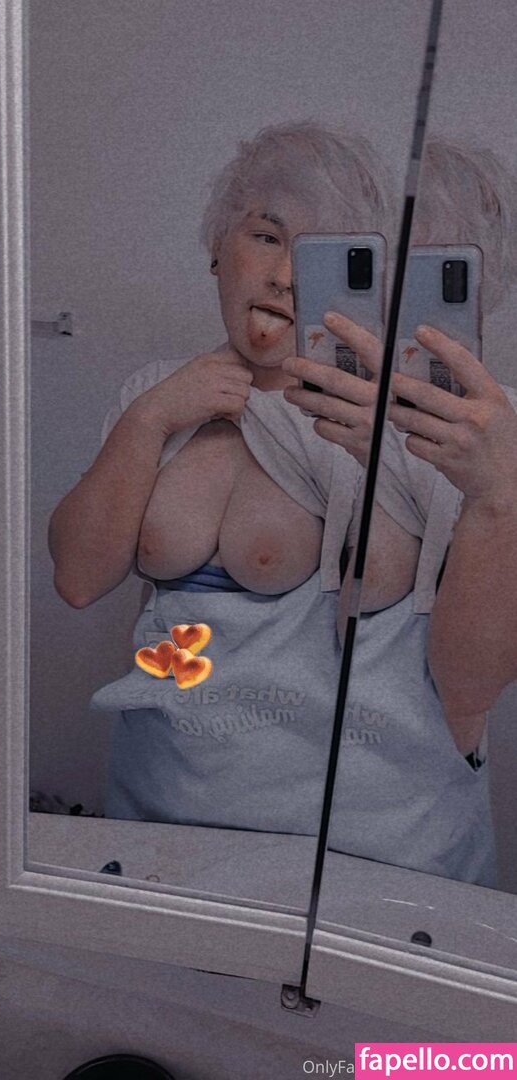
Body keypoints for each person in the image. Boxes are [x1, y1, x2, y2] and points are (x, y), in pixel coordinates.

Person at [49, 121, 394, 839]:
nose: (285, 275)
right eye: (267, 236)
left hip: (307, 820)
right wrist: (150, 418)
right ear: (217, 247)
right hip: (154, 790)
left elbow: (390, 642)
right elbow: (78, 579)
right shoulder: (155, 391)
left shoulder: (357, 421)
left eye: (319, 253)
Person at [281, 138, 517, 875]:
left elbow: (472, 687)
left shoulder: (501, 436)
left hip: (417, 846)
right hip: (234, 825)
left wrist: (498, 498)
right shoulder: (274, 405)